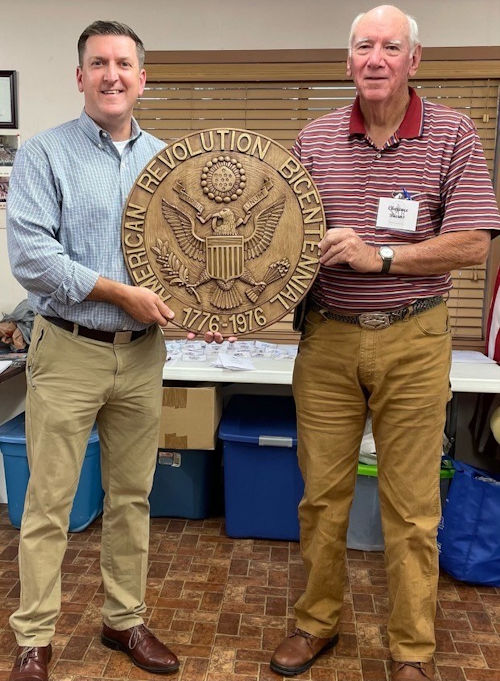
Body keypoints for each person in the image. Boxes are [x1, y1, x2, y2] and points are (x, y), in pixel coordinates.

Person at [270, 5, 500, 681]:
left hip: (413, 337)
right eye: (362, 46)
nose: (374, 58)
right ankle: (316, 622)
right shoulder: (312, 141)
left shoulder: (454, 134)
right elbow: (278, 240)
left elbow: (472, 241)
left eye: (389, 47)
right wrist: (228, 296)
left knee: (411, 503)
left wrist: (383, 257)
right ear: (348, 62)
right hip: (328, 342)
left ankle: (412, 649)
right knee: (321, 496)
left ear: (414, 60)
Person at [7, 21, 181, 681]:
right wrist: (117, 291)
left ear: (143, 77)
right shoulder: (43, 155)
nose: (112, 75)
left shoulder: (168, 162)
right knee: (49, 500)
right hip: (69, 347)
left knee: (132, 495)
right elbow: (32, 256)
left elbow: (181, 260)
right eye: (98, 63)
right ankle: (34, 638)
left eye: (124, 63)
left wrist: (200, 308)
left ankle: (123, 618)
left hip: (142, 354)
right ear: (80, 77)